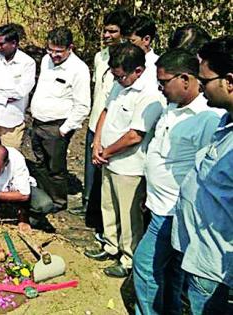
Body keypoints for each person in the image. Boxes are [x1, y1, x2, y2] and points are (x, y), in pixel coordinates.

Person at [133, 49, 222, 314]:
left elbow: (206, 174)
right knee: (171, 272)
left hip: (173, 211)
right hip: (159, 204)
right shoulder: (172, 106)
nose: (160, 89)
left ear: (185, 79)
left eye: (164, 82)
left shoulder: (207, 118)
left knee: (145, 266)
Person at [86, 42, 166, 278]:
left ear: (138, 71)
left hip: (130, 166)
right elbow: (106, 111)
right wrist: (97, 143)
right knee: (108, 205)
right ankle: (110, 245)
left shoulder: (150, 95)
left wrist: (106, 151)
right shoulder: (119, 84)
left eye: (121, 76)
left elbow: (135, 135)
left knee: (129, 215)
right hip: (108, 159)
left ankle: (129, 258)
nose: (117, 79)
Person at [171, 36, 233, 314]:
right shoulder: (225, 119)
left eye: (204, 80)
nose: (200, 86)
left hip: (215, 264)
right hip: (201, 254)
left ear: (229, 81)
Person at [70, 9, 131, 240]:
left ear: (124, 35)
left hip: (114, 126)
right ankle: (88, 206)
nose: (106, 35)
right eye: (104, 30)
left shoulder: (132, 61)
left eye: (112, 31)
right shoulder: (99, 56)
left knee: (108, 172)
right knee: (91, 169)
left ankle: (106, 227)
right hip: (96, 120)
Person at [30, 27, 91, 211]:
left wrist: (64, 129)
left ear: (70, 48)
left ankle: (58, 202)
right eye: (50, 49)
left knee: (55, 167)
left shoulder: (79, 69)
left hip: (57, 126)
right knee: (40, 163)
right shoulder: (46, 60)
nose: (53, 55)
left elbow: (83, 106)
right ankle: (44, 197)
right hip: (38, 122)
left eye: (59, 51)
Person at [0, 24, 36, 151]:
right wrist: (4, 97)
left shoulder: (27, 63)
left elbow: (20, 92)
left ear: (14, 43)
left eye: (1, 44)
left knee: (11, 162)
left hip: (12, 122)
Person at [126, 15, 159, 84]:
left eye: (132, 41)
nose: (127, 45)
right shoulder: (122, 62)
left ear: (146, 40)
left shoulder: (157, 66)